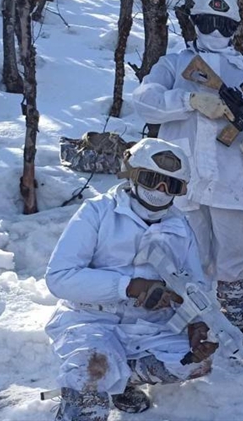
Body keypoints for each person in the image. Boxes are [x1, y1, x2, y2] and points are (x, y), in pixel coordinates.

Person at [45, 138, 218, 420]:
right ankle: (86, 395)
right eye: (152, 180)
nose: (160, 191)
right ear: (132, 175)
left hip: (148, 325)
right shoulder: (98, 212)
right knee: (91, 373)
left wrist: (196, 322)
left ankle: (122, 380)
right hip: (91, 319)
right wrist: (127, 287)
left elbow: (194, 283)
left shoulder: (179, 226)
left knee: (194, 362)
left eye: (171, 185)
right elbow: (59, 278)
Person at [133, 0, 243, 331]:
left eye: (224, 25)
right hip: (184, 178)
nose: (216, 31)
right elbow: (143, 100)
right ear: (194, 22)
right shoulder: (174, 65)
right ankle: (191, 317)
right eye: (208, 22)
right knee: (187, 252)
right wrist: (189, 99)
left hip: (231, 179)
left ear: (235, 28)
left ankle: (232, 314)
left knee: (235, 248)